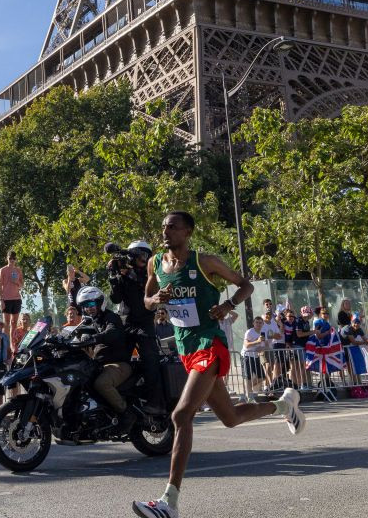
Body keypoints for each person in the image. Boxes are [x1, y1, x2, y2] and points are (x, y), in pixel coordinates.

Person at [133, 211, 304, 518]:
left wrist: (228, 304)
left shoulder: (205, 262)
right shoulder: (155, 263)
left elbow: (245, 285)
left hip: (209, 345)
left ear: (188, 232)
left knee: (181, 415)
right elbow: (145, 299)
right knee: (230, 418)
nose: (166, 231)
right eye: (163, 227)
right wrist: (155, 299)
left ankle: (169, 503)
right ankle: (284, 406)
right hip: (187, 348)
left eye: (173, 227)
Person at [107, 239, 163, 412]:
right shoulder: (124, 275)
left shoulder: (150, 276)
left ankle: (156, 402)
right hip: (126, 323)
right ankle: (119, 398)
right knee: (116, 359)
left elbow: (147, 289)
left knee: (151, 360)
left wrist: (127, 273)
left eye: (145, 255)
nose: (142, 258)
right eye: (138, 254)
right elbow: (116, 298)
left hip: (144, 323)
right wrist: (113, 275)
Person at [74, 285, 138, 430]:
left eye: (90, 304)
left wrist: (93, 338)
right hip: (101, 365)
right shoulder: (92, 321)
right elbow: (76, 332)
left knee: (102, 383)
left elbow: (113, 332)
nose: (88, 308)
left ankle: (126, 412)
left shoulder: (111, 317)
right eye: (84, 306)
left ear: (99, 303)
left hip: (119, 364)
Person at [0, 251, 25, 332]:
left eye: (14, 258)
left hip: (16, 299)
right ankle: (6, 344)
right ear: (7, 258)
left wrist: (16, 281)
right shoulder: (2, 270)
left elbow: (22, 286)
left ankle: (12, 344)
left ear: (16, 259)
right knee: (6, 323)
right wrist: (0, 300)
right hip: (6, 299)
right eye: (10, 258)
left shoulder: (18, 270)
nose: (12, 260)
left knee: (14, 323)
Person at [241, 317, 268, 395]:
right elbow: (246, 345)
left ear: (263, 324)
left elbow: (266, 345)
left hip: (256, 356)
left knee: (262, 376)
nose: (258, 324)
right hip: (247, 356)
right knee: (248, 377)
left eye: (260, 323)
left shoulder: (263, 332)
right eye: (257, 322)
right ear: (253, 323)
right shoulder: (249, 332)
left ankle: (250, 389)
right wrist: (257, 341)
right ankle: (249, 394)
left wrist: (262, 348)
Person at [341, 314, 368, 386]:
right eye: (354, 322)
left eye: (358, 322)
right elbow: (354, 342)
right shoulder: (347, 328)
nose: (356, 324)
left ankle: (358, 382)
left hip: (349, 347)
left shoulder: (359, 329)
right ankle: (350, 382)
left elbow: (366, 340)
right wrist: (365, 342)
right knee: (347, 365)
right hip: (341, 348)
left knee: (355, 364)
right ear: (351, 322)